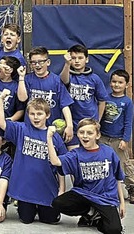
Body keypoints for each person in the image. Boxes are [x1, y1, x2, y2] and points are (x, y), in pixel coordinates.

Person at [0, 94, 67, 224]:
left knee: (50, 220)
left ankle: (43, 208)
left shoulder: (55, 137)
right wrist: (0, 100)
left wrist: (61, 189)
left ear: (48, 115)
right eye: (32, 114)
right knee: (26, 219)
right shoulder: (21, 129)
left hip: (46, 188)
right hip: (25, 189)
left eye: (39, 114)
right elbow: (1, 123)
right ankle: (27, 206)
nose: (35, 117)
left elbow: (60, 166)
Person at [48, 118, 125, 234]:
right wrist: (49, 138)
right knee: (58, 203)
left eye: (90, 133)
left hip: (105, 198)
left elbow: (118, 178)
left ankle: (96, 220)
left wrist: (122, 203)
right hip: (83, 195)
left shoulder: (109, 152)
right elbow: (55, 162)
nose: (85, 136)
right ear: (77, 134)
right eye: (81, 132)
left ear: (97, 135)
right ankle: (90, 212)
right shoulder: (75, 154)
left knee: (114, 230)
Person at [17, 46, 74, 143]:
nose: (37, 65)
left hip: (51, 130)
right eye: (33, 62)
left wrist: (69, 125)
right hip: (31, 129)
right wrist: (21, 77)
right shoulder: (27, 79)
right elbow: (22, 98)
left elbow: (65, 105)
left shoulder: (56, 81)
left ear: (48, 62)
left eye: (41, 61)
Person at [60, 44, 108, 149]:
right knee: (74, 154)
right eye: (73, 58)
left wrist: (97, 120)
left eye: (80, 58)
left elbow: (102, 100)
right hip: (72, 124)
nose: (77, 61)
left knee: (89, 153)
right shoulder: (69, 75)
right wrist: (67, 64)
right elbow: (63, 81)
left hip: (89, 122)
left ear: (86, 59)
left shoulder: (94, 78)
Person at [100, 69, 134, 204]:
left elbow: (128, 122)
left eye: (120, 82)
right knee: (104, 164)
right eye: (114, 82)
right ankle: (105, 189)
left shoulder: (127, 102)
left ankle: (132, 187)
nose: (116, 85)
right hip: (103, 137)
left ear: (126, 85)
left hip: (118, 139)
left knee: (124, 165)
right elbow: (100, 117)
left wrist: (125, 140)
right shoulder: (105, 98)